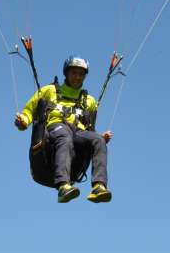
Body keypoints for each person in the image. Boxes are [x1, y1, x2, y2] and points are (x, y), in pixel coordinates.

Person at [14, 56, 113, 203]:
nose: (77, 77)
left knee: (98, 140)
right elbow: (29, 110)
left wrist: (101, 137)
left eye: (81, 74)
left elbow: (90, 127)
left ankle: (99, 186)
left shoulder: (90, 101)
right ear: (66, 73)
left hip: (78, 133)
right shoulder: (49, 91)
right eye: (74, 73)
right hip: (55, 128)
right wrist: (23, 121)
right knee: (65, 136)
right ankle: (63, 186)